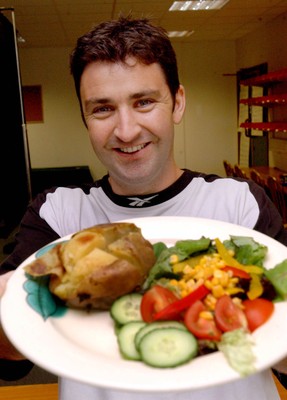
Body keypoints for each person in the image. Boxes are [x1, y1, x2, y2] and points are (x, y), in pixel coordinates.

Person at [0, 15, 287, 400]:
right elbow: (10, 361)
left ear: (178, 103)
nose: (127, 130)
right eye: (102, 109)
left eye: (144, 102)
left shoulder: (240, 203)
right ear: (85, 117)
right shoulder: (57, 213)